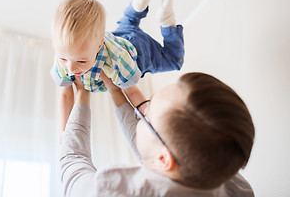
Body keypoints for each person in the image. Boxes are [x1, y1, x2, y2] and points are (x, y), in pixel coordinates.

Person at [60, 72, 255, 196]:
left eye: (147, 116)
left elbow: (73, 160)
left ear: (164, 159)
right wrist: (115, 91)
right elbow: (157, 146)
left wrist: (81, 93)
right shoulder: (233, 185)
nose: (140, 112)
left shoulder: (115, 190)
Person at [50, 0, 184, 131]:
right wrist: (64, 130)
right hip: (120, 37)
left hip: (140, 54)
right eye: (63, 58)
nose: (70, 68)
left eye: (81, 61)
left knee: (174, 61)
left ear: (98, 47)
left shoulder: (115, 63)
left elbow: (133, 92)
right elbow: (65, 94)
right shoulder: (69, 53)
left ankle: (167, 19)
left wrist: (147, 113)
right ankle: (138, 3)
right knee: (127, 22)